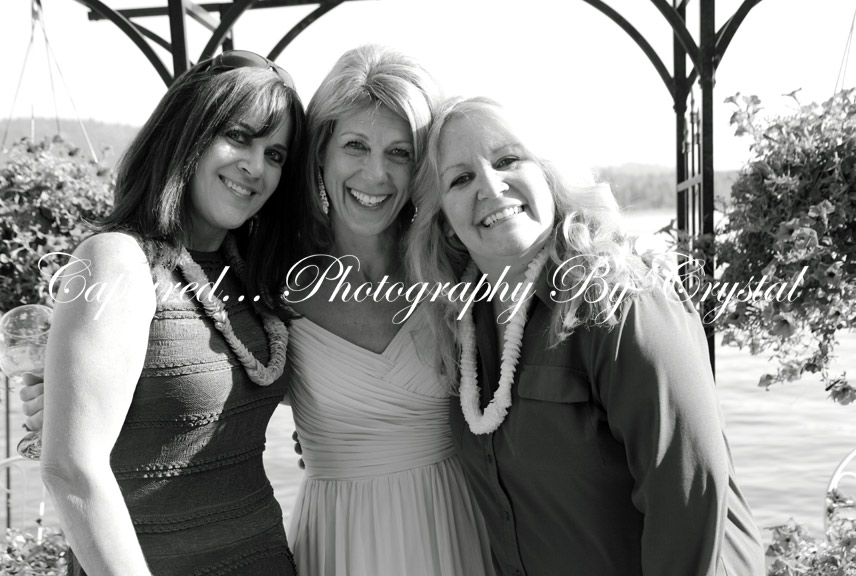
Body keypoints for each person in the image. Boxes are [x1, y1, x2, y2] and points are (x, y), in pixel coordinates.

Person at [405, 96, 767, 576]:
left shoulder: (622, 303)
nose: (490, 186)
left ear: (549, 178)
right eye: (461, 178)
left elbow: (688, 497)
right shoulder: (462, 329)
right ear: (446, 225)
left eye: (507, 160)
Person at [34, 50, 306, 575]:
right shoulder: (116, 259)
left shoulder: (249, 275)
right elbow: (70, 469)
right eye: (239, 136)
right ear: (187, 132)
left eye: (275, 154)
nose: (256, 167)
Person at [272, 45, 494, 576]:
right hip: (339, 541)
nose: (376, 175)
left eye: (399, 152)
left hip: (455, 529)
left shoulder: (460, 268)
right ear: (321, 151)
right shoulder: (273, 282)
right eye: (356, 145)